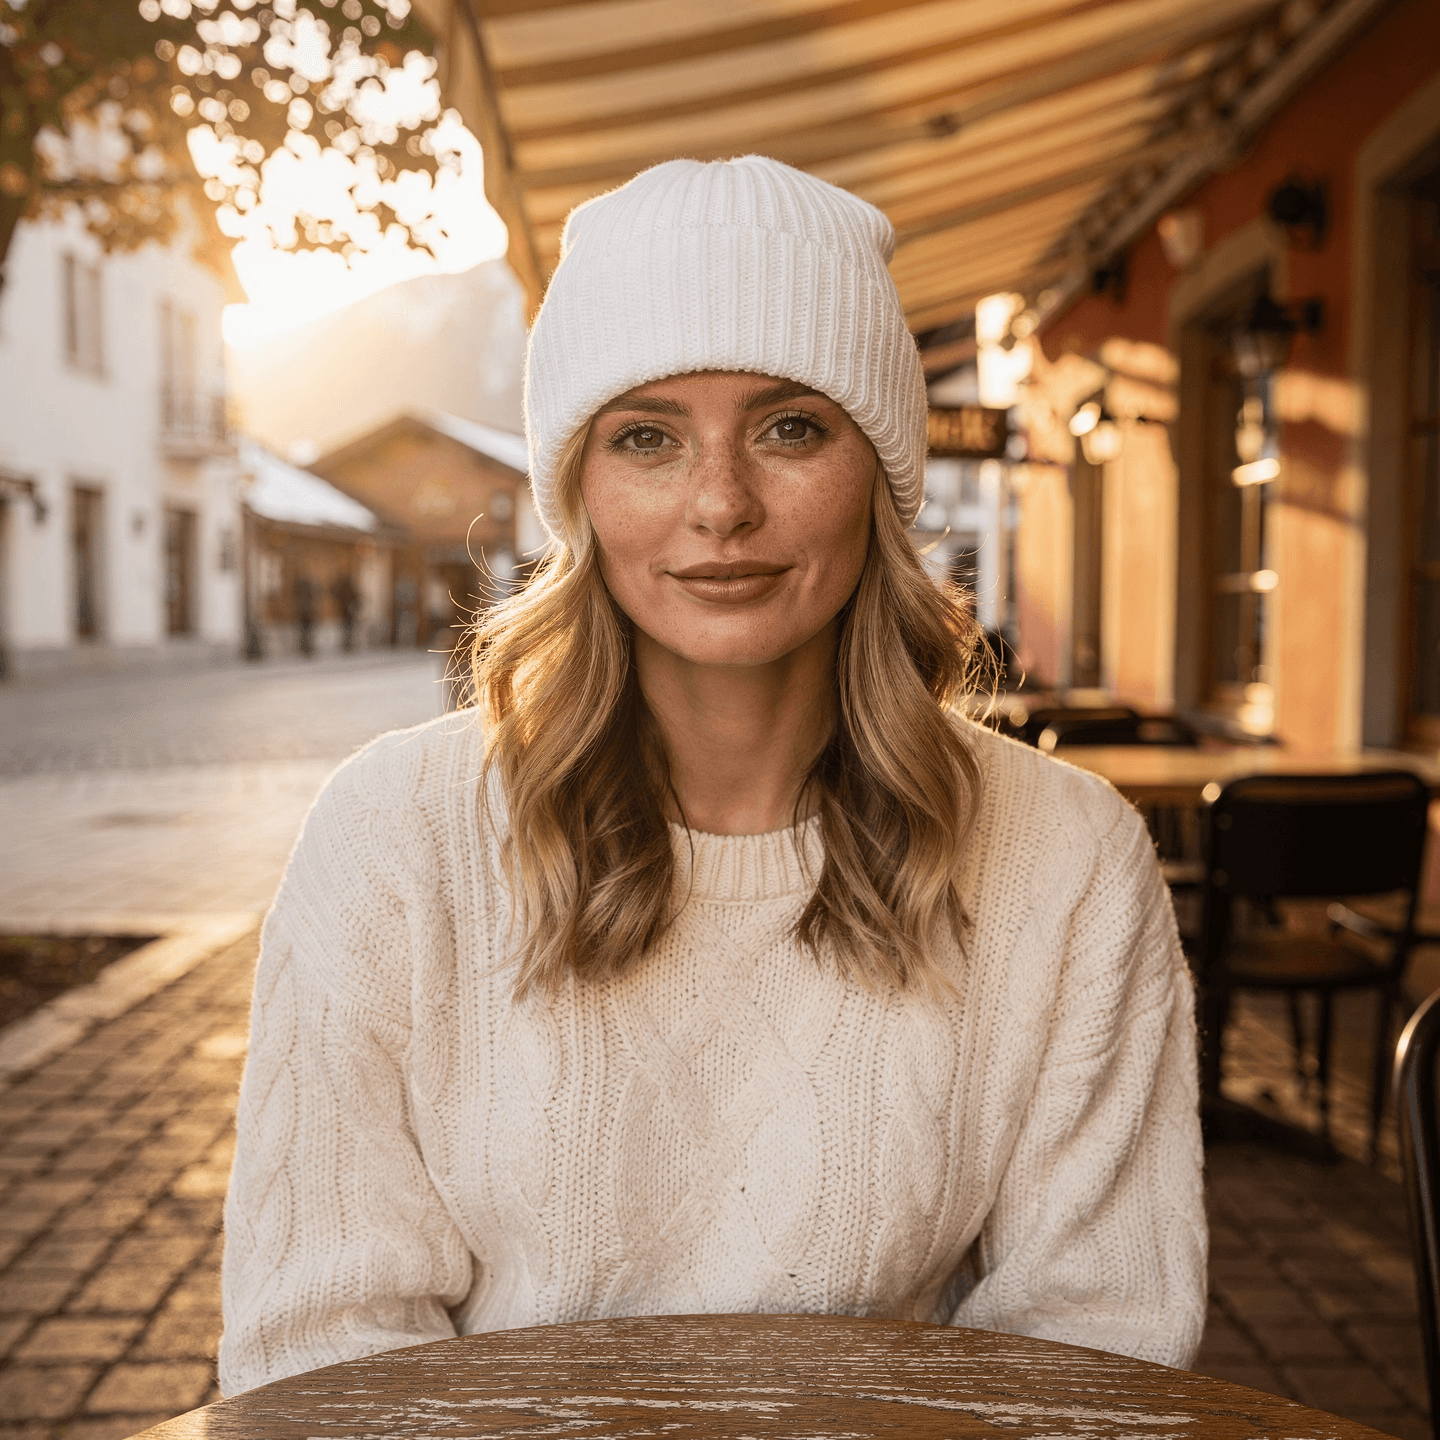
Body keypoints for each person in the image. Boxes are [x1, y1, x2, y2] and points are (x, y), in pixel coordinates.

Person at [220, 157, 1205, 1397]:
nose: (722, 504)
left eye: (792, 427)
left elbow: (1092, 1343)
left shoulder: (1066, 857)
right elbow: (321, 1354)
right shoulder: (395, 839)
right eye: (647, 437)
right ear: (578, 489)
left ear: (881, 476)